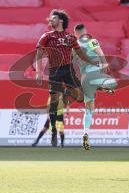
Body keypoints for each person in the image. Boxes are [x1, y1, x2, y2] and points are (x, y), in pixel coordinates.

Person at [35, 9, 99, 147]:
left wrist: (92, 62)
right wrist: (39, 71)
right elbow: (39, 53)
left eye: (53, 18)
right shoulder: (46, 36)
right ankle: (53, 132)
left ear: (61, 21)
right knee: (53, 101)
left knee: (81, 97)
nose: (50, 20)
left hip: (68, 69)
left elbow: (81, 54)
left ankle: (65, 92)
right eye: (50, 19)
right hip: (54, 71)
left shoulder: (70, 38)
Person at [73, 24, 117, 150]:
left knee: (88, 110)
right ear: (85, 32)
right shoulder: (92, 41)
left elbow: (71, 63)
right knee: (112, 82)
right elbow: (100, 53)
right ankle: (103, 86)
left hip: (85, 78)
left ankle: (85, 132)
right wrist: (104, 64)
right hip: (96, 73)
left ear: (76, 33)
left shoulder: (74, 46)